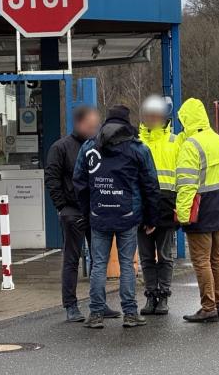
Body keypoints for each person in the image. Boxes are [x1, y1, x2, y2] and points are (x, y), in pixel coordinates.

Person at [73, 105, 161, 329]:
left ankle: (96, 314)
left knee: (98, 264)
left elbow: (79, 181)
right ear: (126, 122)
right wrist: (151, 219)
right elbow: (150, 185)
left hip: (99, 214)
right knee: (127, 265)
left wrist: (88, 210)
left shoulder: (90, 146)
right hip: (127, 215)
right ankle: (130, 313)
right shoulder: (137, 148)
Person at [45, 107, 121, 323]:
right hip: (72, 211)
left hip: (95, 210)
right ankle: (70, 305)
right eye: (90, 124)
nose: (94, 128)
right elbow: (52, 179)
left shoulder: (99, 146)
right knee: (72, 258)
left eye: (96, 124)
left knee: (99, 259)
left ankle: (99, 303)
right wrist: (62, 207)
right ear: (79, 123)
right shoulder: (60, 148)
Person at [175, 98, 219, 323]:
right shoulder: (218, 140)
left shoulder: (191, 144)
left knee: (201, 260)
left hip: (200, 208)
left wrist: (183, 213)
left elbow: (187, 183)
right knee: (216, 258)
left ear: (187, 119)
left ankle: (208, 307)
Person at [137, 95, 180, 316]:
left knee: (164, 256)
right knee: (146, 257)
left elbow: (183, 177)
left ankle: (163, 296)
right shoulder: (137, 143)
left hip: (166, 206)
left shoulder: (175, 141)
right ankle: (150, 296)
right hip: (142, 208)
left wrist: (180, 207)